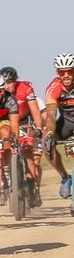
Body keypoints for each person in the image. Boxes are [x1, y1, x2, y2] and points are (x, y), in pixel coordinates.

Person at [0, 66, 44, 205]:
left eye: (10, 82)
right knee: (0, 152)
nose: (8, 86)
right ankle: (5, 179)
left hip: (24, 122)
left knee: (28, 154)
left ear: (16, 81)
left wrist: (39, 127)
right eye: (5, 83)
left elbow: (34, 109)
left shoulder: (25, 88)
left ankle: (33, 187)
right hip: (6, 122)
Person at [44, 53, 74, 201]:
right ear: (58, 73)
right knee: (46, 143)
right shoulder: (54, 87)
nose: (66, 75)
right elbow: (51, 113)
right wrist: (49, 131)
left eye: (70, 71)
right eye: (63, 72)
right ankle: (64, 177)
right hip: (66, 123)